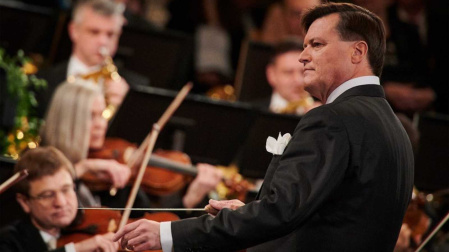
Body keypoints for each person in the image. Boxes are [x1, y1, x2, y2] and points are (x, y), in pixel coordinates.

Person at [112, 3, 414, 251]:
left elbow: (280, 213)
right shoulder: (395, 128)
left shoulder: (332, 118)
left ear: (357, 53)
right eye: (305, 44)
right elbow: (330, 217)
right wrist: (246, 214)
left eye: (317, 45)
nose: (303, 55)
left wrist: (168, 235)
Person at [40, 81, 222, 212]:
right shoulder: (41, 164)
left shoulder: (115, 175)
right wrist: (83, 167)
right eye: (90, 116)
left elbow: (148, 226)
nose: (101, 124)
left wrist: (189, 200)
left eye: (102, 115)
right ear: (67, 121)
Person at [36, 0, 149, 118]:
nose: (103, 42)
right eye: (94, 32)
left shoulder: (136, 89)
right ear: (73, 30)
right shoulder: (41, 82)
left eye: (110, 34)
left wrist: (127, 108)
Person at [0, 146, 118, 252]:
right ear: (25, 202)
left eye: (66, 189)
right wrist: (75, 249)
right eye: (47, 195)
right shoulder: (8, 241)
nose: (61, 202)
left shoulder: (90, 226)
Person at [261, 38, 321, 115]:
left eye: (303, 72)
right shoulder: (249, 115)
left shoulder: (323, 115)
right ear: (271, 74)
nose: (298, 81)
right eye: (288, 73)